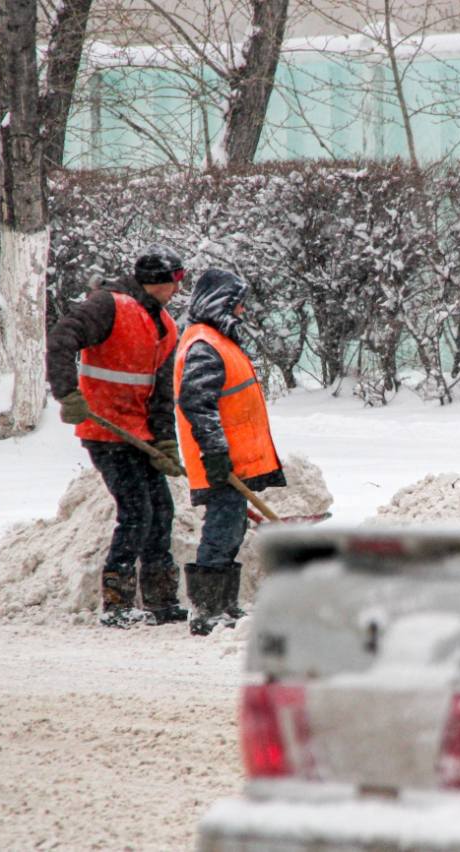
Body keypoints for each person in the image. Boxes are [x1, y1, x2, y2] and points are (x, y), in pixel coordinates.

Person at [46, 245, 187, 628]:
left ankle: (161, 599)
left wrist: (165, 442)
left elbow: (160, 392)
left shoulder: (167, 326)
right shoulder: (109, 305)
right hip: (104, 429)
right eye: (174, 281)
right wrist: (67, 392)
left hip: (139, 432)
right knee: (137, 510)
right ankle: (117, 600)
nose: (177, 289)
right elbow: (62, 337)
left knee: (161, 511)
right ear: (155, 281)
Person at [173, 268, 285, 637]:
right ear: (219, 303)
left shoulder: (217, 340)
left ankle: (222, 605)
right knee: (221, 530)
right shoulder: (204, 344)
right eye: (237, 303)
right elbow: (197, 403)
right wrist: (216, 452)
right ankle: (206, 611)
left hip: (230, 457)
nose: (242, 311)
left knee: (231, 525)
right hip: (220, 459)